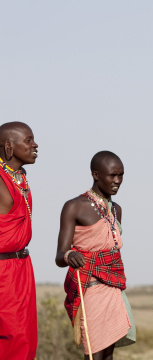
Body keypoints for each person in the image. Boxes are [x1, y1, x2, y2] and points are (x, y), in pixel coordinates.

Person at [56, 151, 135, 360]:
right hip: (89, 290)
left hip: (113, 288)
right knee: (94, 354)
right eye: (112, 175)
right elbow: (60, 254)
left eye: (121, 175)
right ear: (96, 175)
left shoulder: (116, 209)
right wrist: (69, 255)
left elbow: (112, 251)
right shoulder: (74, 206)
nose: (117, 181)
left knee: (108, 354)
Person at [0, 122, 38, 360]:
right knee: (13, 339)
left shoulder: (19, 178)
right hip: (3, 271)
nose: (35, 145)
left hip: (22, 267)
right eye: (28, 140)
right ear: (8, 146)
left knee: (26, 339)